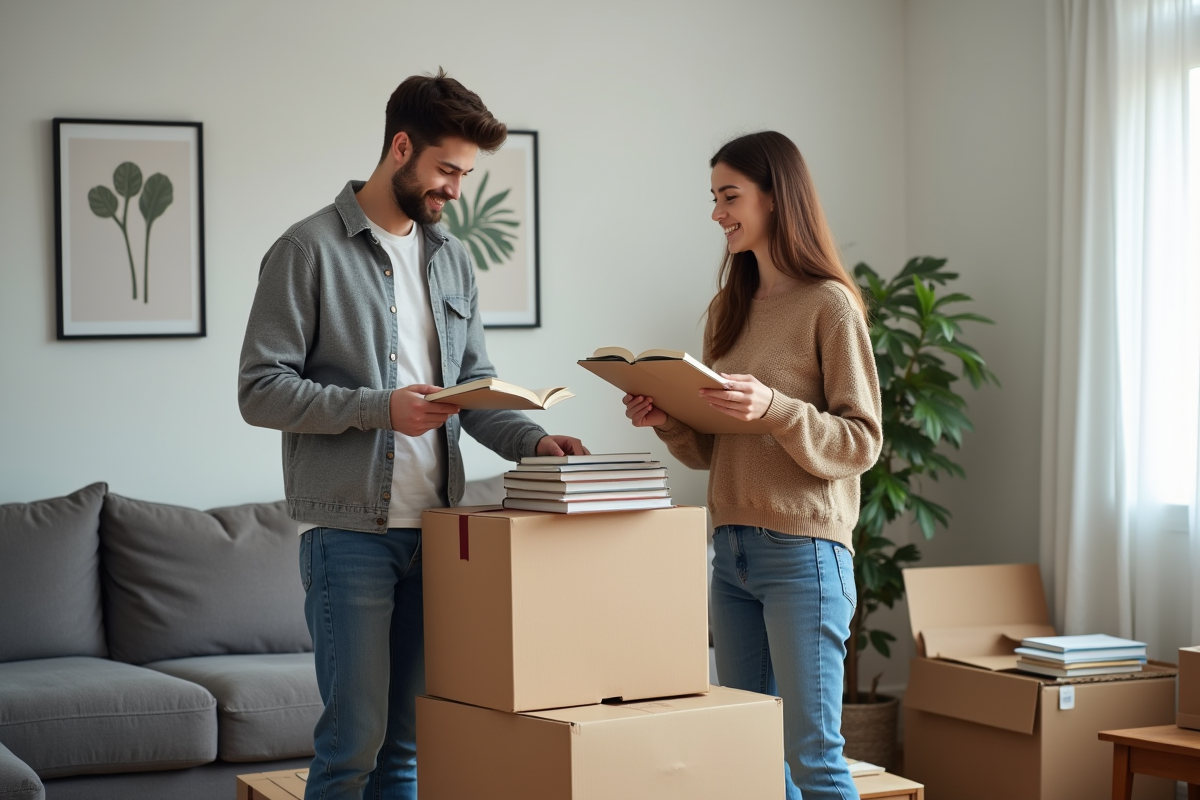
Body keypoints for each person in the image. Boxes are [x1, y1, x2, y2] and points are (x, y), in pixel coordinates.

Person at [238, 69, 587, 800]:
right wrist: (379, 408)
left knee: (408, 748)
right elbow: (259, 390)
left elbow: (471, 387)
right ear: (401, 147)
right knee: (351, 747)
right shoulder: (306, 251)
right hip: (349, 538)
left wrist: (533, 443)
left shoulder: (451, 258)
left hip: (441, 536)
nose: (455, 190)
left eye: (464, 173)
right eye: (447, 170)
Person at [623, 130, 882, 800]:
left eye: (729, 196)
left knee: (813, 759)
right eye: (714, 198)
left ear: (776, 197)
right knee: (749, 757)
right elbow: (716, 448)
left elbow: (860, 442)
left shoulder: (830, 305)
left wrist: (775, 409)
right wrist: (670, 421)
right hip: (731, 550)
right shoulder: (727, 311)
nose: (717, 213)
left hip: (804, 554)